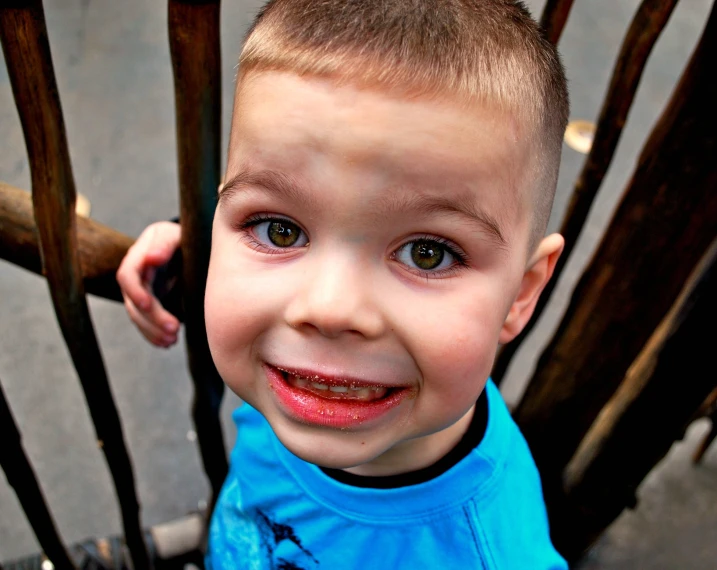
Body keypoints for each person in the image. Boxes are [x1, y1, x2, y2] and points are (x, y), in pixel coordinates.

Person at [117, 1, 569, 567]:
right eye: (280, 230)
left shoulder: (490, 555)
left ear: (521, 294)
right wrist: (190, 243)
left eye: (427, 254)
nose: (327, 309)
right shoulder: (308, 375)